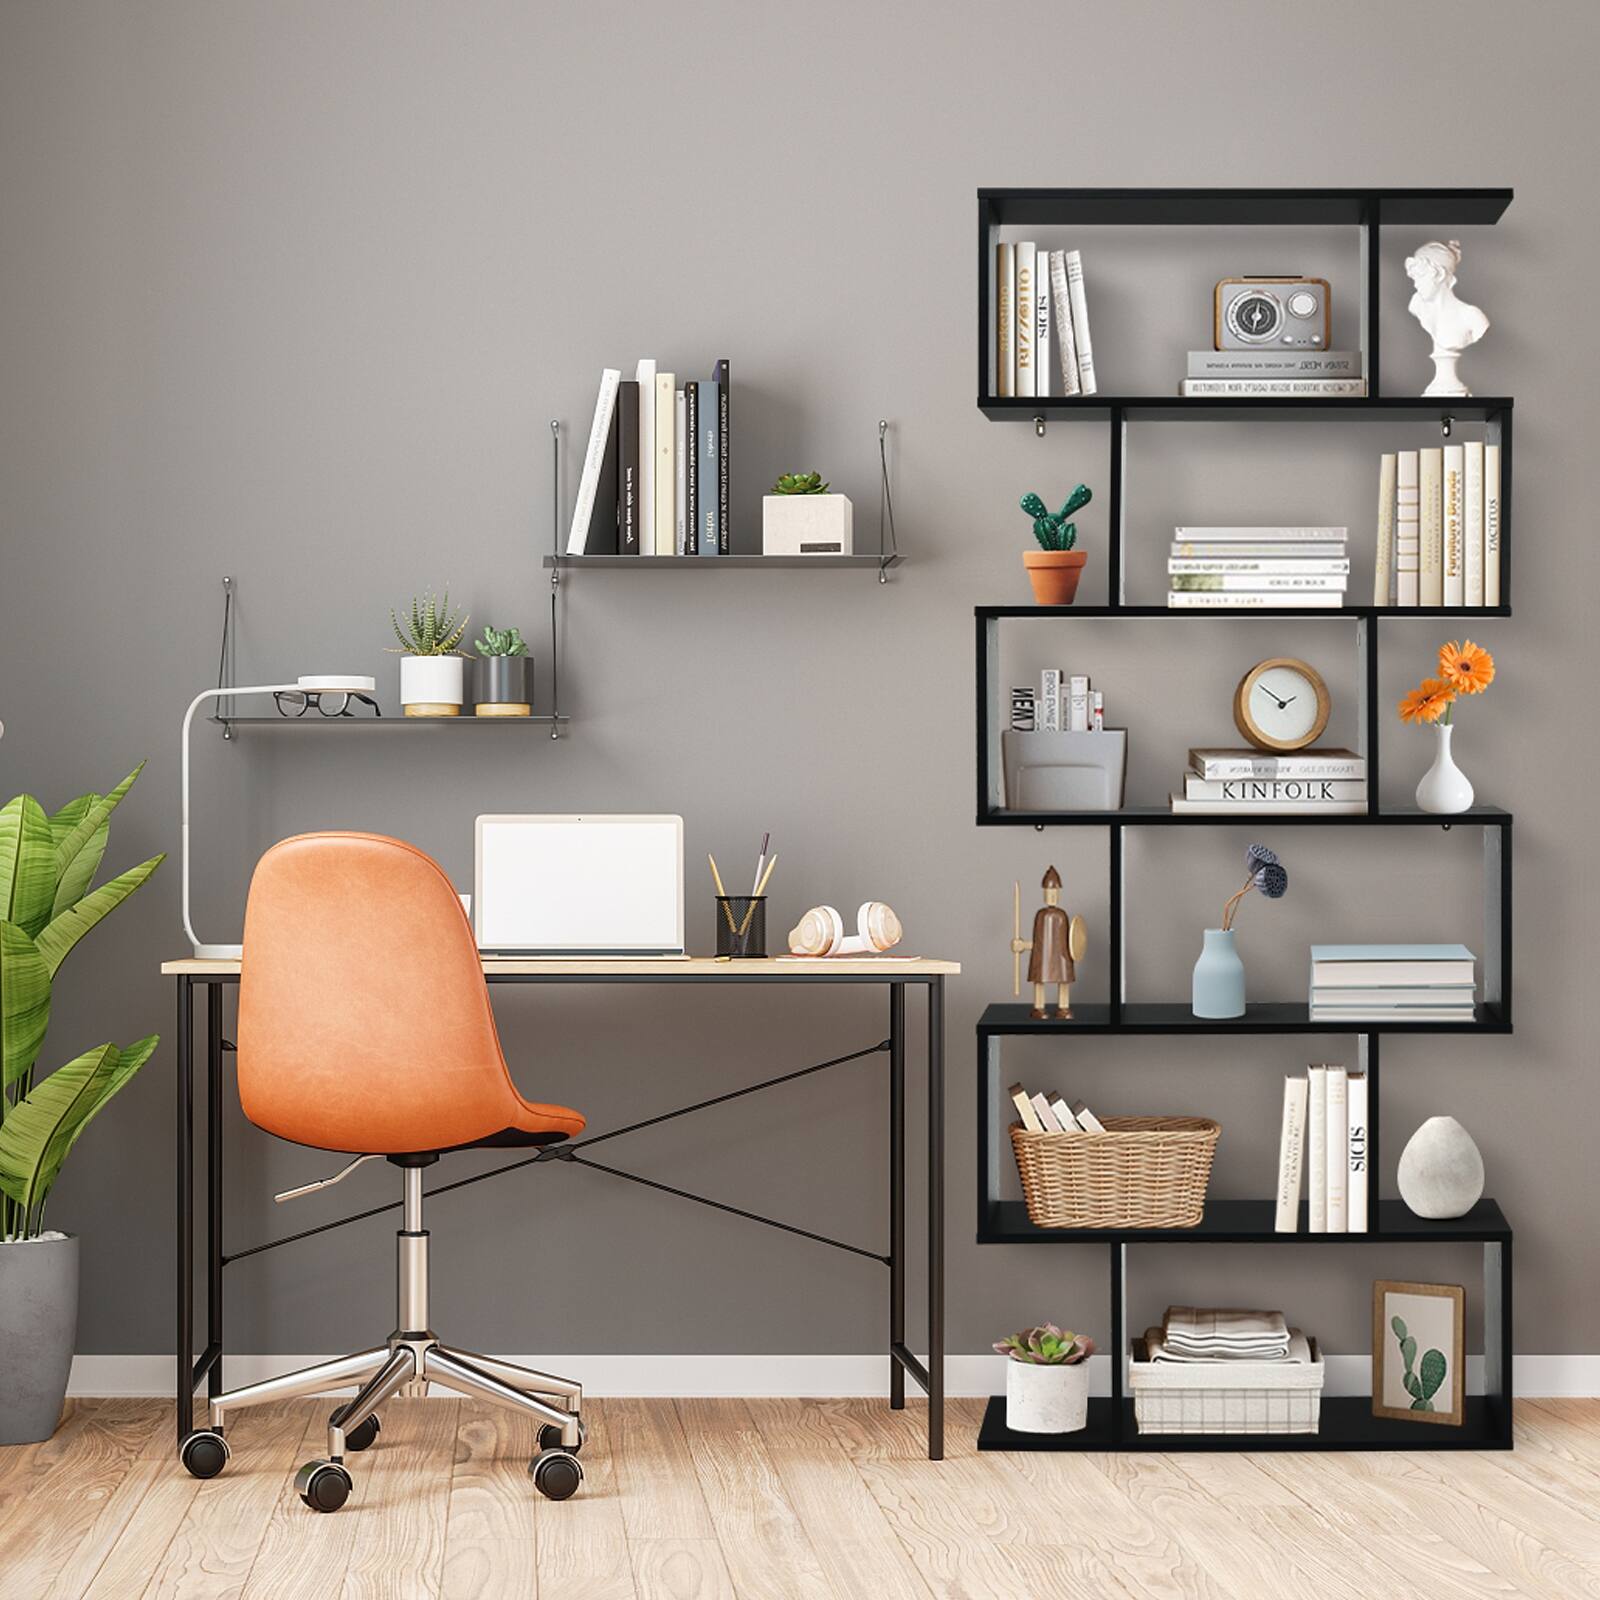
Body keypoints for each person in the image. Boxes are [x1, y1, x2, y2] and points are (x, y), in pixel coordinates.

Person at [1012, 866, 1087, 1020]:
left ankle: (1063, 1007)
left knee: (1063, 981)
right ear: (1044, 893)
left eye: (1054, 892)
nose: (1052, 895)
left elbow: (1070, 939)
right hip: (1042, 957)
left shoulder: (1062, 916)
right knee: (1039, 980)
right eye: (1048, 892)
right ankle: (1039, 1007)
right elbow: (1038, 943)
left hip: (1062, 956)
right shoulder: (1041, 916)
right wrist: (1022, 945)